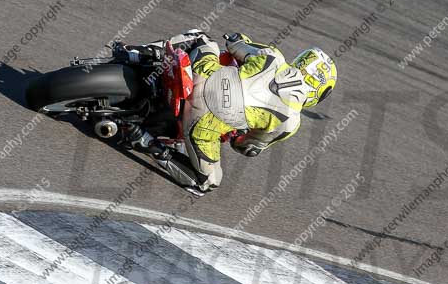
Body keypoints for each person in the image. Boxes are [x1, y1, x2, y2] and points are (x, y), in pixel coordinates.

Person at [130, 32, 337, 192]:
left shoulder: (273, 56)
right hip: (203, 123)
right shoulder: (290, 122)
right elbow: (246, 147)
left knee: (201, 38)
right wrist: (239, 136)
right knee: (208, 182)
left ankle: (140, 53)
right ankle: (146, 142)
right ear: (319, 93)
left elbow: (234, 44)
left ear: (302, 60)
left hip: (202, 73)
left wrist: (239, 39)